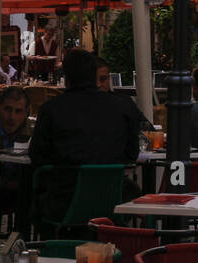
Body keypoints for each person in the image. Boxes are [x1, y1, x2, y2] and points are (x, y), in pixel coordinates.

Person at [29, 48, 139, 225]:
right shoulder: (123, 106)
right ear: (94, 76)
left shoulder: (52, 109)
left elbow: (37, 156)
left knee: (30, 190)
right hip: (113, 200)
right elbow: (132, 154)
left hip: (64, 201)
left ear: (67, 78)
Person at [95, 60, 154, 132]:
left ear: (109, 78)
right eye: (93, 80)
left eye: (103, 79)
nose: (98, 84)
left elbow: (148, 130)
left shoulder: (124, 103)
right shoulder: (80, 107)